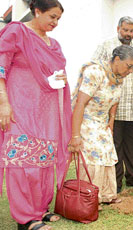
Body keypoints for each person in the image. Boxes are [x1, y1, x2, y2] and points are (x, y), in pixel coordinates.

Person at [0, 0, 72, 229]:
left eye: (58, 19)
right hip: (19, 105)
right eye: (52, 17)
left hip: (47, 109)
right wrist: (3, 103)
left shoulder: (55, 44)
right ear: (37, 11)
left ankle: (40, 209)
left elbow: (58, 72)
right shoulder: (17, 31)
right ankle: (25, 218)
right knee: (21, 160)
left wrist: (62, 79)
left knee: (43, 160)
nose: (55, 23)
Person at [69, 45, 133, 209]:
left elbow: (115, 100)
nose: (130, 70)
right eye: (129, 66)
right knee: (94, 158)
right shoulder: (95, 72)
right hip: (86, 120)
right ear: (116, 59)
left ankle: (106, 195)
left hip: (102, 122)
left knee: (108, 155)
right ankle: (90, 197)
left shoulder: (118, 77)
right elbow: (80, 103)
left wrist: (111, 121)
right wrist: (76, 135)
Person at [92, 17, 133, 193]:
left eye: (131, 31)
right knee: (115, 145)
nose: (128, 34)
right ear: (118, 28)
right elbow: (96, 67)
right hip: (113, 107)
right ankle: (115, 183)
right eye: (125, 30)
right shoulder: (106, 46)